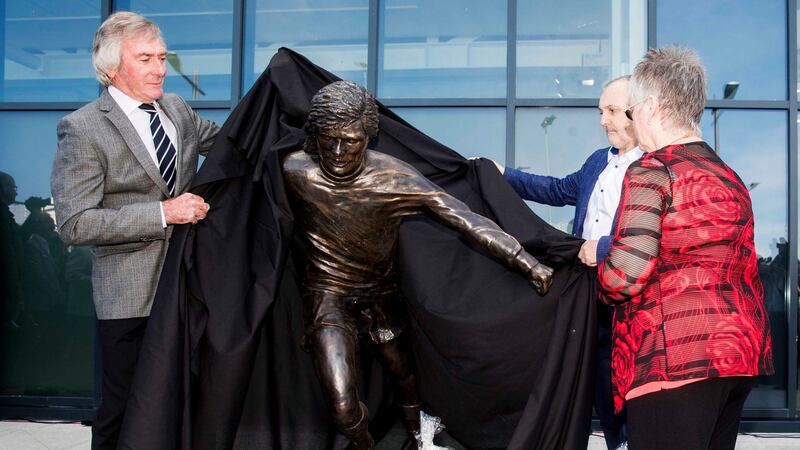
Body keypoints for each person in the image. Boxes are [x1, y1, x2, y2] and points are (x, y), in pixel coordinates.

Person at [282, 80, 554, 448]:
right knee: (343, 405)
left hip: (382, 291)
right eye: (328, 139)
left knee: (405, 377)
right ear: (314, 137)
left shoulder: (394, 176)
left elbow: (463, 217)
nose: (338, 151)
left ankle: (420, 437)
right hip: (327, 293)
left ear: (368, 137)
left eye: (350, 140)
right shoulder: (295, 170)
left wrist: (525, 261)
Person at [50, 12, 219, 450]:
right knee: (125, 411)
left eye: (162, 57)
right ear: (111, 68)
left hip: (186, 288)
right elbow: (74, 223)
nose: (160, 68)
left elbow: (231, 144)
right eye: (145, 58)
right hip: (129, 299)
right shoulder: (83, 128)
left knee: (186, 402)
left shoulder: (177, 110)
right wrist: (163, 213)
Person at [598, 46, 773, 450]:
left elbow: (623, 277)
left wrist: (594, 269)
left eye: (630, 110)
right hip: (738, 355)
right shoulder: (730, 176)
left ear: (652, 106)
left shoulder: (653, 169)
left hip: (674, 356)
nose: (630, 120)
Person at [491, 75, 641, 450]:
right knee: (595, 379)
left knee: (626, 380)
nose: (602, 120)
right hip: (587, 291)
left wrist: (604, 247)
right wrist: (503, 176)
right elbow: (556, 190)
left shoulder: (655, 166)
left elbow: (655, 236)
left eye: (610, 111)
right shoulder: (597, 162)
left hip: (630, 294)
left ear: (636, 112)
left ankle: (625, 442)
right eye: (601, 111)